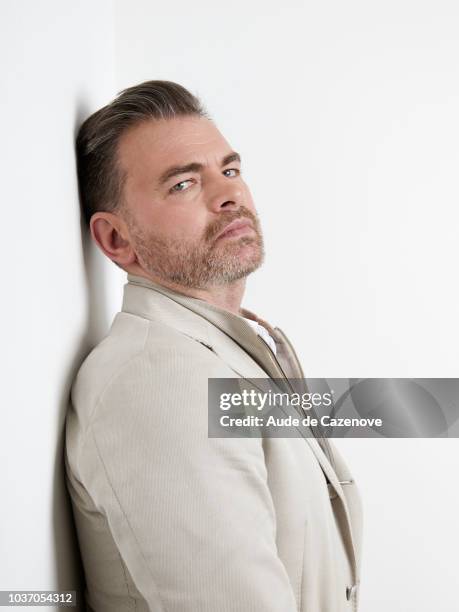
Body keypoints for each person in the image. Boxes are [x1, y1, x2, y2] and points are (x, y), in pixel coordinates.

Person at [65, 80, 363, 612]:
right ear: (116, 239)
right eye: (183, 184)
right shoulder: (157, 379)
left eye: (229, 170)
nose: (230, 195)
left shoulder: (222, 351)